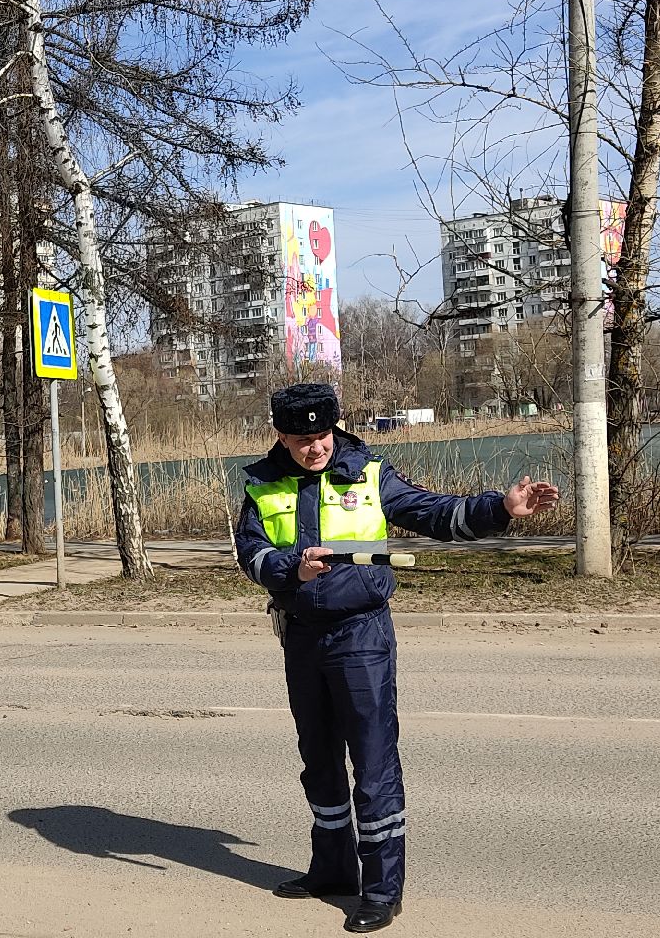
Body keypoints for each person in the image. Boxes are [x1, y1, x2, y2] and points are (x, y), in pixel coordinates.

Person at [233, 383, 559, 933]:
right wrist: (292, 571)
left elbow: (434, 513)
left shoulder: (369, 472)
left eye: (322, 436)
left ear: (335, 428)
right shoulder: (263, 485)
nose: (315, 448)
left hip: (361, 635)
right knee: (318, 759)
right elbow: (252, 553)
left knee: (373, 762)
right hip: (301, 636)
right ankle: (332, 870)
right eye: (302, 439)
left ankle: (382, 890)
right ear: (281, 437)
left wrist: (500, 509)